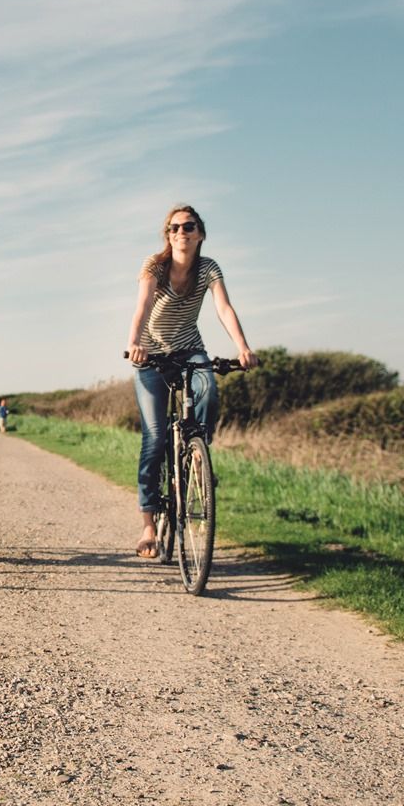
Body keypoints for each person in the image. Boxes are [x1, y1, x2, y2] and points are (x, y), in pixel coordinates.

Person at [125, 205, 257, 562]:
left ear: (200, 233)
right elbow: (142, 306)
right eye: (174, 228)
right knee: (154, 437)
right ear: (168, 235)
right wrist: (134, 343)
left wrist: (242, 348)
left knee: (208, 391)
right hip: (151, 356)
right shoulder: (155, 265)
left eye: (189, 227)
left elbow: (224, 308)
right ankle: (149, 525)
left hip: (189, 349)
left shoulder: (208, 268)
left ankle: (196, 452)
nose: (181, 233)